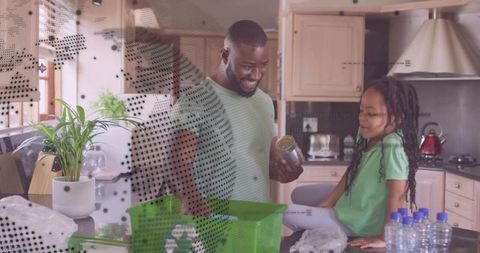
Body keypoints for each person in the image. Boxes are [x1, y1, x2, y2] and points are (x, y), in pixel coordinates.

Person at [169, 20, 303, 216]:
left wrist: (283, 173)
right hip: (213, 220)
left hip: (257, 217)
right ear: (225, 55)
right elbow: (177, 162)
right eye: (247, 66)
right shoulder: (195, 100)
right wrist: (191, 197)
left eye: (263, 65)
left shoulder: (264, 102)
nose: (256, 75)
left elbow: (259, 163)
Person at [283, 77, 420, 249]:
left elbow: (398, 195)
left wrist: (385, 237)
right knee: (298, 194)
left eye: (370, 113)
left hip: (359, 221)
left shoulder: (393, 147)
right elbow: (353, 171)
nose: (362, 118)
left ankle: (332, 224)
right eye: (361, 111)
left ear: (396, 119)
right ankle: (323, 215)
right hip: (356, 201)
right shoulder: (367, 136)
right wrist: (330, 201)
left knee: (284, 212)